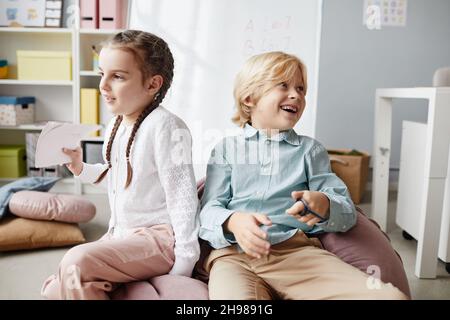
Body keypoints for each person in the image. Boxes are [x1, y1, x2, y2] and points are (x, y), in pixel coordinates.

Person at [199, 51, 407, 300]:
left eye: (301, 88)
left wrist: (324, 204)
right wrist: (233, 221)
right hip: (233, 258)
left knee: (390, 298)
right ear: (249, 98)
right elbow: (208, 209)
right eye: (283, 85)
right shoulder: (226, 149)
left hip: (296, 255)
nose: (296, 94)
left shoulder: (311, 150)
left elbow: (346, 210)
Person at [41, 30, 200, 300]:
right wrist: (81, 167)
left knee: (77, 261)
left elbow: (183, 198)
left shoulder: (166, 126)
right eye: (102, 73)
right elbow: (119, 177)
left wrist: (184, 263)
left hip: (157, 239)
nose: (103, 85)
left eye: (117, 76)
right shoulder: (119, 123)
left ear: (152, 84)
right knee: (54, 289)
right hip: (121, 234)